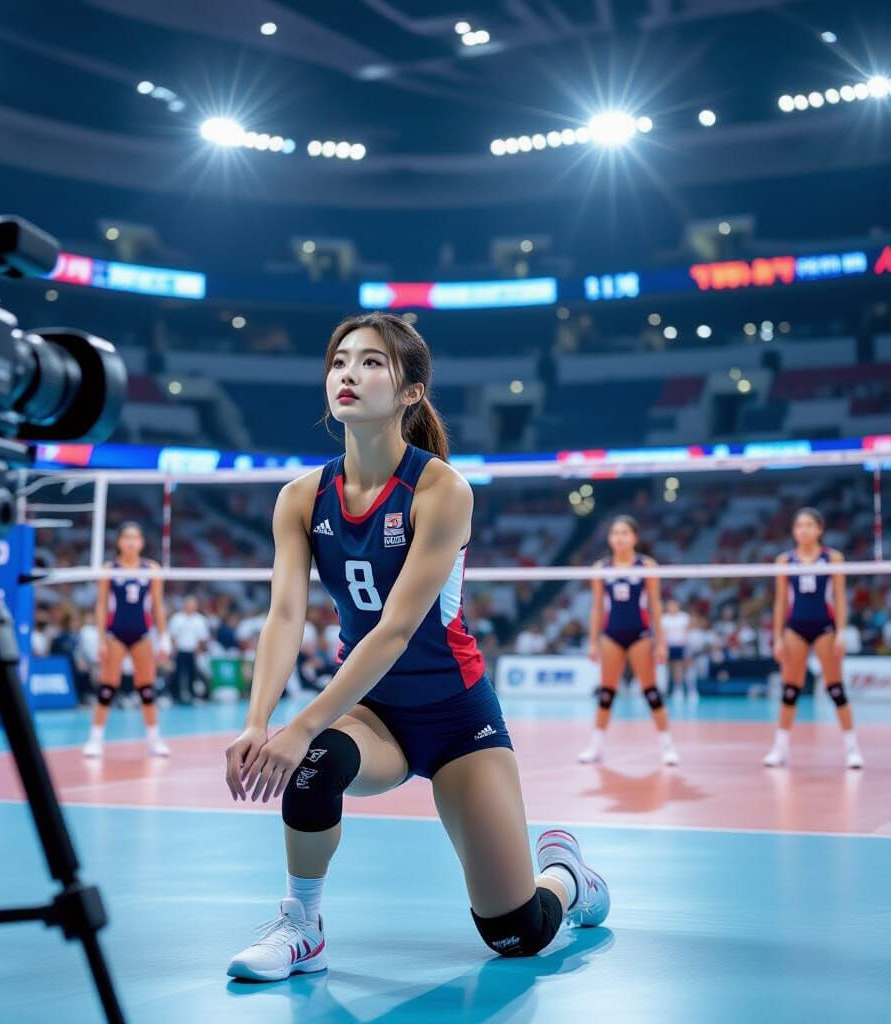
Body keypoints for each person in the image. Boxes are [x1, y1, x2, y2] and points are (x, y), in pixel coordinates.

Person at [224, 312, 609, 982]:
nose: (348, 373)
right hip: (375, 714)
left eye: (371, 362)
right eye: (340, 360)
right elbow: (285, 614)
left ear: (411, 392)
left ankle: (565, 876)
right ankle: (303, 927)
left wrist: (304, 718)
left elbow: (397, 630)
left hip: (459, 718)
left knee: (515, 934)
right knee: (315, 761)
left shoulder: (440, 490)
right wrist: (260, 723)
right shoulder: (298, 498)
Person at [765, 507, 864, 769]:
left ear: (819, 529)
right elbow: (780, 603)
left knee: (835, 688)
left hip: (824, 627)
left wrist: (841, 631)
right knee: (790, 689)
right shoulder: (785, 561)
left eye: (809, 525)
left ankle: (852, 749)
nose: (803, 530)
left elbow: (841, 598)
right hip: (795, 627)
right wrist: (777, 637)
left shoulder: (833, 558)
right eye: (799, 526)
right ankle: (780, 748)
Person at [578, 516, 679, 766]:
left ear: (635, 537)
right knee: (606, 692)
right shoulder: (602, 568)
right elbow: (597, 608)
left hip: (640, 635)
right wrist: (593, 642)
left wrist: (661, 642)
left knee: (651, 691)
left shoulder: (647, 565)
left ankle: (667, 746)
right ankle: (596, 746)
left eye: (624, 533)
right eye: (614, 533)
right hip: (612, 635)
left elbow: (655, 606)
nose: (619, 538)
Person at [83, 522, 171, 758]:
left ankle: (154, 740)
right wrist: (100, 638)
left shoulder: (151, 568)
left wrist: (164, 638)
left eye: (135, 537)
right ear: (119, 541)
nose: (131, 542)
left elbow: (157, 606)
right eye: (126, 537)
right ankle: (95, 739)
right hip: (116, 634)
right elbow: (101, 604)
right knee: (107, 686)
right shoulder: (109, 568)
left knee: (146, 688)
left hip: (142, 634)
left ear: (142, 542)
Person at [169, 595, 209, 703]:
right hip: (180, 651)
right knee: (177, 674)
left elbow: (202, 638)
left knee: (192, 674)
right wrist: (173, 651)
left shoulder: (200, 620)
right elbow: (173, 637)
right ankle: (175, 696)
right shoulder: (177, 618)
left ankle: (192, 696)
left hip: (192, 652)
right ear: (184, 605)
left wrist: (200, 652)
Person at [661, 598, 692, 699]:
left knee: (679, 667)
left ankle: (680, 689)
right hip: (669, 646)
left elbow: (687, 632)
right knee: (667, 668)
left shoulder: (684, 617)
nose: (671, 607)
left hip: (681, 645)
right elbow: (663, 634)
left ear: (678, 605)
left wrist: (686, 644)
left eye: (673, 605)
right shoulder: (664, 618)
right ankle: (664, 689)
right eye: (669, 605)